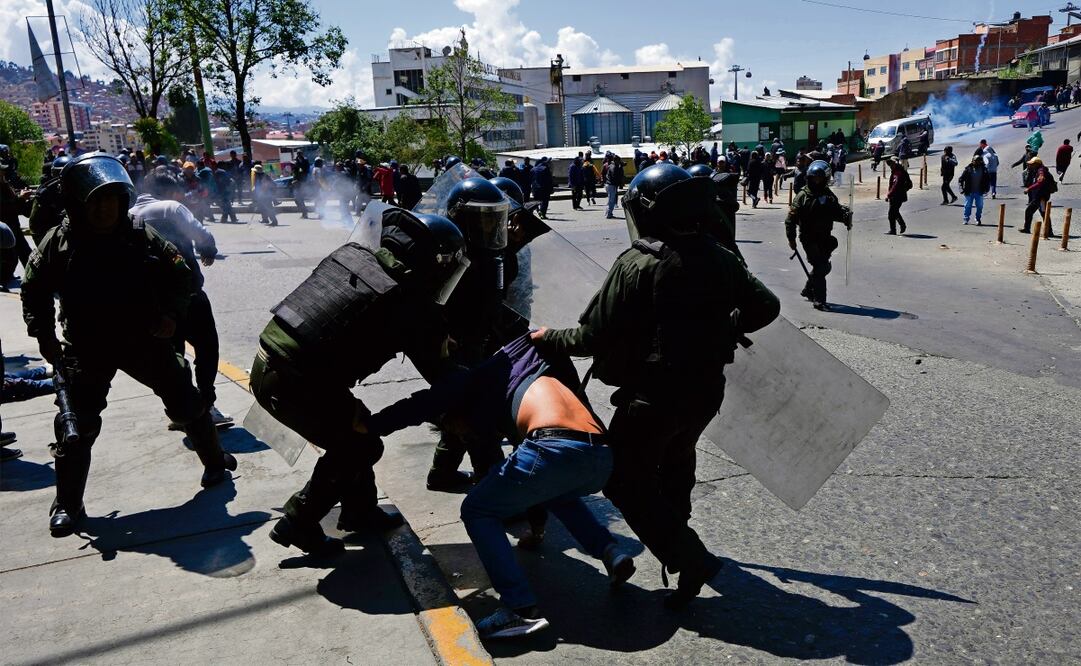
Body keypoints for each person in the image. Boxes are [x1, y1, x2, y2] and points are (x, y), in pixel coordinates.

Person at [531, 163, 780, 609]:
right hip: (705, 392)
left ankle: (689, 559)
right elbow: (766, 306)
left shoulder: (638, 262)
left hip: (654, 398)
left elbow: (590, 338)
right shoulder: (721, 256)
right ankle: (682, 552)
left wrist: (549, 337)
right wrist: (721, 329)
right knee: (677, 465)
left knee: (624, 481)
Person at [365, 332, 636, 639]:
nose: (463, 437)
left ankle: (520, 610)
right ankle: (610, 551)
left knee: (477, 510)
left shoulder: (472, 381)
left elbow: (419, 405)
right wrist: (537, 530)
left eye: (456, 430)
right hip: (600, 454)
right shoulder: (519, 369)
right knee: (556, 490)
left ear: (456, 411)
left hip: (554, 446)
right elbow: (534, 485)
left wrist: (370, 426)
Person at [21, 153, 236, 537]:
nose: (105, 209)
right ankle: (67, 503)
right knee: (76, 425)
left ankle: (215, 461)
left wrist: (171, 316)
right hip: (86, 346)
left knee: (186, 403)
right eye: (96, 200)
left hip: (143, 339)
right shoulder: (59, 242)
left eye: (112, 199)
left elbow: (181, 274)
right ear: (78, 203)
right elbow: (33, 289)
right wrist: (44, 336)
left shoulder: (139, 233)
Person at [250, 208, 470, 554]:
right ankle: (299, 522)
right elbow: (441, 374)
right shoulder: (411, 301)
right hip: (296, 383)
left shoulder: (355, 257)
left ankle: (360, 511)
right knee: (361, 445)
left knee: (356, 428)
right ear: (435, 264)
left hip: (269, 365)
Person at [426, 178, 512, 489]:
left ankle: (442, 472)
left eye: (494, 218)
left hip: (480, 343)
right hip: (458, 348)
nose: (491, 227)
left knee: (463, 409)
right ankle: (494, 489)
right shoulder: (452, 256)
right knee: (478, 419)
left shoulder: (491, 258)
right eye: (483, 220)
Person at [133, 172, 233, 427]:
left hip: (155, 304)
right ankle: (207, 405)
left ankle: (182, 408)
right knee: (207, 348)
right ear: (169, 191)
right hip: (188, 295)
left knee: (172, 356)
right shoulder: (171, 208)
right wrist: (208, 250)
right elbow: (202, 235)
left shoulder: (129, 215)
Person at [786, 160, 852, 311]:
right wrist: (791, 238)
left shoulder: (828, 195)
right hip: (808, 238)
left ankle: (808, 289)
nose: (817, 181)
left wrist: (846, 217)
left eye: (820, 178)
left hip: (824, 237)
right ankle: (819, 301)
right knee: (820, 266)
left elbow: (835, 211)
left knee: (823, 267)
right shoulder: (802, 196)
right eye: (814, 178)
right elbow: (790, 219)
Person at [1021, 157, 1055, 236]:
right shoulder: (1038, 170)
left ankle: (1048, 231)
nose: (1030, 166)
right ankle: (1048, 231)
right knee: (1041, 213)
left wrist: (1029, 189)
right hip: (1039, 197)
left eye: (1032, 164)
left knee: (1037, 212)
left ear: (1036, 164)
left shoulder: (1041, 171)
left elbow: (1040, 183)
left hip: (1041, 197)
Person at [958, 154, 990, 226]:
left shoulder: (984, 170)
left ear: (980, 162)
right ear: (972, 161)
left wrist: (986, 189)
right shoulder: (968, 169)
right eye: (975, 161)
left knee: (980, 206)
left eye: (978, 161)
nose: (976, 162)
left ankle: (978, 219)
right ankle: (966, 219)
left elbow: (988, 180)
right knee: (967, 206)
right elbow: (960, 179)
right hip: (969, 191)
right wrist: (961, 189)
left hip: (979, 191)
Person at [885, 158, 912, 235]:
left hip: (897, 196)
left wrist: (889, 194)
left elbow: (895, 185)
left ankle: (894, 229)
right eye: (889, 164)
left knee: (891, 213)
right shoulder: (898, 171)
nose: (890, 166)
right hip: (897, 195)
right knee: (895, 212)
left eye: (891, 164)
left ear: (895, 163)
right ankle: (901, 225)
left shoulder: (898, 172)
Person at [604, 154, 625, 219]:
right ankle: (609, 214)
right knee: (611, 200)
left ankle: (608, 213)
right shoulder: (614, 167)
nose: (620, 162)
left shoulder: (611, 165)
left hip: (609, 184)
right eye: (619, 160)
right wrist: (620, 167)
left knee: (610, 200)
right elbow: (615, 176)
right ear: (616, 160)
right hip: (611, 185)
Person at [292, 151, 310, 219]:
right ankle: (304, 211)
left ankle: (304, 212)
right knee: (297, 199)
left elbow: (304, 171)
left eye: (299, 154)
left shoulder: (304, 161)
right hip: (297, 182)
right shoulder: (297, 160)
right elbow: (295, 170)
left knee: (299, 199)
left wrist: (298, 164)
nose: (298, 155)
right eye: (298, 154)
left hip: (301, 182)